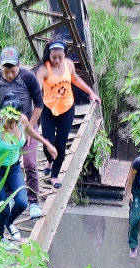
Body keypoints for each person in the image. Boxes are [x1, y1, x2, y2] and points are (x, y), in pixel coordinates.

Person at [0, 104, 57, 243]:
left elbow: (31, 132)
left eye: (16, 122)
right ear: (3, 115)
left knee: (22, 203)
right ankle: (0, 239)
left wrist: (47, 144)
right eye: (10, 122)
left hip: (14, 167)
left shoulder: (21, 120)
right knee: (3, 208)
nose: (13, 126)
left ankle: (8, 222)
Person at [0, 47, 46, 221]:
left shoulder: (28, 78)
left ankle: (33, 201)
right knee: (5, 162)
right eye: (6, 71)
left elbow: (39, 105)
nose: (10, 75)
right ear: (1, 68)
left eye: (13, 71)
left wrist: (29, 129)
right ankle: (8, 200)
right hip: (5, 126)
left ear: (18, 66)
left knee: (29, 162)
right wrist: (0, 123)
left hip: (26, 125)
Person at [34, 41, 98, 190]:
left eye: (60, 57)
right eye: (54, 57)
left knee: (61, 145)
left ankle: (54, 176)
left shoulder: (68, 65)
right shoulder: (43, 69)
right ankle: (49, 161)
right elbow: (37, 92)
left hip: (67, 109)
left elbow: (75, 79)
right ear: (48, 55)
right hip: (49, 109)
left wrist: (91, 93)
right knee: (48, 143)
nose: (56, 61)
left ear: (64, 56)